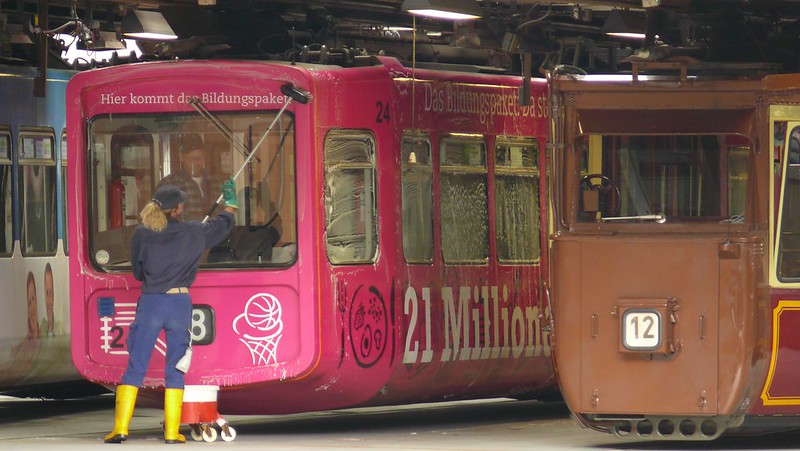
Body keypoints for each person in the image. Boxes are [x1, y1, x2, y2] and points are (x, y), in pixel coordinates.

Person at [104, 180, 239, 444]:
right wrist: (230, 204)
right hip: (179, 304)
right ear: (177, 209)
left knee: (136, 365)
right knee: (176, 366)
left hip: (151, 303)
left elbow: (138, 272)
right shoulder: (193, 232)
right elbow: (224, 225)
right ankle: (172, 432)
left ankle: (120, 429)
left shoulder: (141, 234)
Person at [157, 134, 223, 221]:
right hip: (182, 234)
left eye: (199, 157)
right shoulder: (169, 184)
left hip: (212, 233)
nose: (196, 162)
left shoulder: (216, 183)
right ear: (181, 157)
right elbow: (159, 218)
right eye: (191, 158)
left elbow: (224, 213)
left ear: (204, 156)